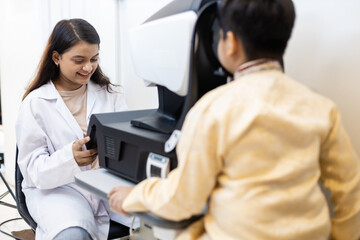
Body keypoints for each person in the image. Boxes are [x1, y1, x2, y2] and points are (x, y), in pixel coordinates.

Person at [108, 0, 360, 239]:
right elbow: (349, 192)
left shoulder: (213, 108)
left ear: (230, 42)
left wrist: (134, 195)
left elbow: (184, 198)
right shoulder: (320, 107)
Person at [16, 18, 130, 240]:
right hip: (59, 191)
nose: (88, 67)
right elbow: (33, 171)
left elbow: (127, 139)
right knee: (73, 234)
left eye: (94, 59)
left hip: (107, 184)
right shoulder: (35, 103)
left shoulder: (110, 95)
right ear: (57, 57)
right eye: (79, 60)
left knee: (161, 220)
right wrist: (71, 159)